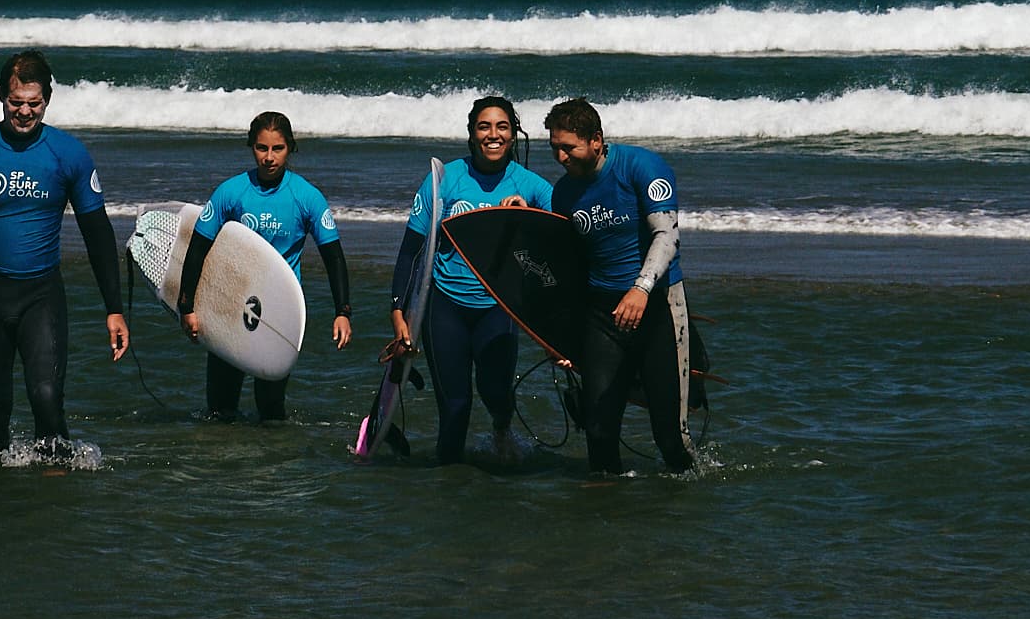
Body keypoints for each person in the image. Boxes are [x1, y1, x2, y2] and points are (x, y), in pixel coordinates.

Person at [0, 50, 129, 462]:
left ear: (47, 100)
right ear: (1, 96)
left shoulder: (68, 154)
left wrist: (114, 309)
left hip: (41, 295)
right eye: (16, 102)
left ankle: (54, 491)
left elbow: (98, 233)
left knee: (47, 399)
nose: (25, 112)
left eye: (34, 103)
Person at [385, 95, 552, 465]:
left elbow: (564, 244)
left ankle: (501, 428)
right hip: (445, 304)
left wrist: (529, 218)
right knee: (455, 406)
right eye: (484, 126)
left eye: (502, 127)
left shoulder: (533, 187)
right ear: (472, 133)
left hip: (498, 306)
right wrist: (399, 312)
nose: (493, 135)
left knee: (496, 393)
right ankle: (450, 482)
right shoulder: (444, 181)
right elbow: (411, 250)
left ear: (514, 134)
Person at [544, 96, 697, 475]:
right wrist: (562, 336)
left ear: (596, 140)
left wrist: (641, 289)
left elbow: (667, 236)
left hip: (658, 304)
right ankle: (606, 506)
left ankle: (691, 499)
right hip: (602, 314)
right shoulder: (564, 193)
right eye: (555, 148)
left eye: (569, 148)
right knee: (598, 432)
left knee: (670, 439)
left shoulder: (641, 167)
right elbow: (570, 268)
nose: (561, 157)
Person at [178, 111, 352, 422]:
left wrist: (343, 312)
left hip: (278, 312)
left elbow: (333, 257)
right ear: (252, 147)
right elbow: (197, 250)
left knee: (270, 410)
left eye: (277, 148)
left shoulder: (307, 197)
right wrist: (186, 306)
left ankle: (269, 453)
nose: (269, 157)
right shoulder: (231, 192)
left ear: (290, 148)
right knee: (219, 409)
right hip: (231, 304)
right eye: (261, 148)